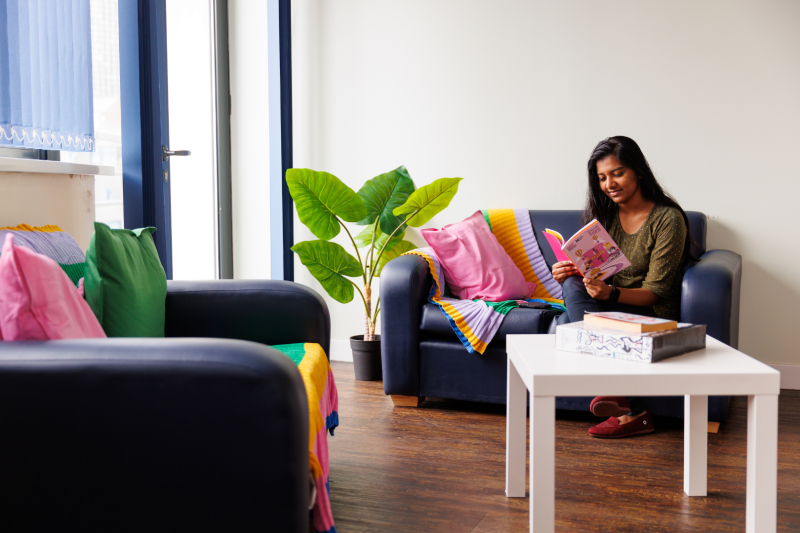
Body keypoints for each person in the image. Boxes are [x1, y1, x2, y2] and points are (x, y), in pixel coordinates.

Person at [552, 136, 693, 438]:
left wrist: (610, 293)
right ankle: (629, 405)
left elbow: (656, 291)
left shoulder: (667, 219)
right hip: (612, 307)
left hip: (651, 310)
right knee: (573, 286)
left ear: (637, 172)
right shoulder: (606, 218)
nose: (609, 183)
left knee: (564, 325)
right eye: (602, 177)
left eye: (617, 173)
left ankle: (625, 399)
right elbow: (601, 274)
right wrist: (571, 272)